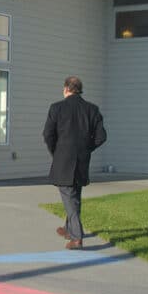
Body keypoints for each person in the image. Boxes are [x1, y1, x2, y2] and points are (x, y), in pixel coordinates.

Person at [42, 75, 107, 249]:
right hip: (82, 160)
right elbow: (101, 137)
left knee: (69, 196)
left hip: (63, 159)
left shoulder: (56, 108)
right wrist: (87, 149)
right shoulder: (92, 109)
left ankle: (77, 237)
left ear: (66, 89)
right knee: (74, 195)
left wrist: (56, 152)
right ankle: (69, 229)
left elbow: (48, 134)